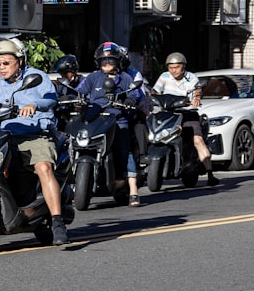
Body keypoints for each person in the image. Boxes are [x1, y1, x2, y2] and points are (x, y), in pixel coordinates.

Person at [0, 37, 69, 245]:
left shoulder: (36, 76)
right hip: (4, 136)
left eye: (6, 63)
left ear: (19, 61)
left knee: (43, 167)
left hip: (34, 134)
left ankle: (57, 221)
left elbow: (50, 99)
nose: (1, 68)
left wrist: (34, 104)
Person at [76, 42, 142, 206]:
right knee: (74, 142)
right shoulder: (93, 77)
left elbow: (134, 94)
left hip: (117, 120)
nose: (107, 64)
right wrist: (76, 100)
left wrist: (129, 100)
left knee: (123, 151)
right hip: (94, 119)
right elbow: (80, 91)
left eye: (111, 61)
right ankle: (73, 184)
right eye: (104, 61)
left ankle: (133, 190)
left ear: (117, 62)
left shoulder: (125, 78)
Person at [152, 52, 218, 186]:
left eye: (176, 67)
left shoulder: (191, 77)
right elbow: (155, 91)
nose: (173, 70)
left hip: (187, 114)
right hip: (169, 113)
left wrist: (196, 99)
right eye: (171, 67)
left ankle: (210, 173)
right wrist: (150, 96)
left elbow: (197, 90)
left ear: (183, 66)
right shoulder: (164, 77)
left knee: (198, 140)